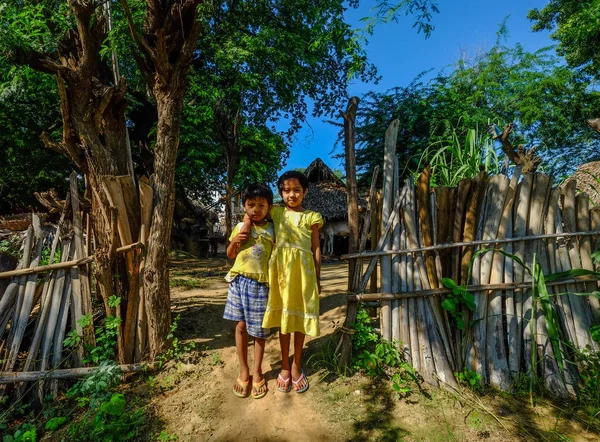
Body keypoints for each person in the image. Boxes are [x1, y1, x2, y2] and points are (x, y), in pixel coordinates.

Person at [261, 170, 323, 393]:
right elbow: (253, 209)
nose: (291, 195)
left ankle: (297, 364)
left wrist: (317, 276)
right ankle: (285, 367)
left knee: (299, 320)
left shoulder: (311, 217)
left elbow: (316, 248)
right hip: (281, 274)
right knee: (284, 320)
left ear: (305, 192)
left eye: (297, 190)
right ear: (281, 192)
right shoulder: (276, 213)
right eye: (286, 190)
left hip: (304, 274)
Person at [223, 183, 274, 399]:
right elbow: (230, 255)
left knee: (259, 331)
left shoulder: (273, 229)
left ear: (269, 207)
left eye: (261, 205)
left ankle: (257, 371)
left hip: (260, 285)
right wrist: (236, 239)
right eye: (251, 204)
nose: (256, 209)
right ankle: (244, 369)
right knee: (241, 327)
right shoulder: (238, 227)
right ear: (244, 206)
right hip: (238, 281)